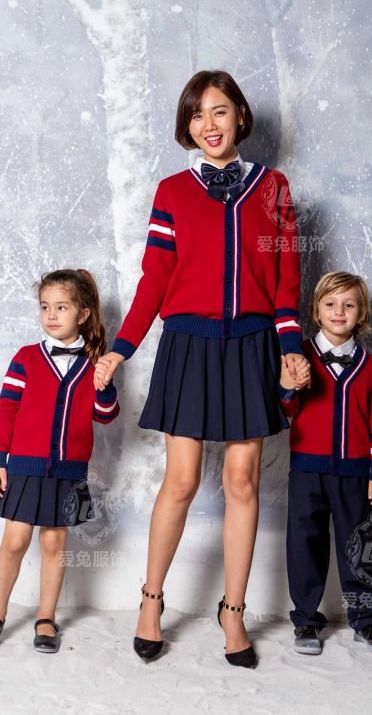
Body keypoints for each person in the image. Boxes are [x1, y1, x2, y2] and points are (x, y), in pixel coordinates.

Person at [94, 70, 310, 667]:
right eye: (196, 114)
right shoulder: (171, 191)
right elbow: (154, 280)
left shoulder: (274, 188)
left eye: (219, 111)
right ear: (186, 126)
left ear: (240, 115)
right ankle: (150, 601)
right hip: (188, 345)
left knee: (242, 482)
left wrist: (290, 346)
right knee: (182, 480)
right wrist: (121, 348)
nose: (208, 125)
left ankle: (233, 611)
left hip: (252, 345)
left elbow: (287, 280)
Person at [0, 269, 119, 653]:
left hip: (71, 472)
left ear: (83, 314)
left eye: (61, 307)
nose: (51, 315)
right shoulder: (26, 358)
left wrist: (105, 385)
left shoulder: (95, 362)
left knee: (55, 545)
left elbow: (105, 416)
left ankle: (46, 618)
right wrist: (1, 459)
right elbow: (6, 409)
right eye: (45, 307)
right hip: (25, 466)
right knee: (14, 541)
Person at [279, 271, 372, 654]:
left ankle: (367, 621)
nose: (339, 311)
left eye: (348, 305)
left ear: (361, 313)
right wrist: (288, 387)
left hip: (355, 474)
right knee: (304, 545)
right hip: (306, 471)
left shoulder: (370, 367)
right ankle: (306, 622)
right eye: (330, 303)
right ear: (316, 310)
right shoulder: (298, 358)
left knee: (358, 547)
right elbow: (285, 410)